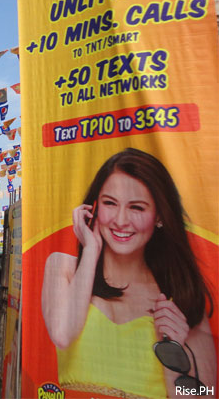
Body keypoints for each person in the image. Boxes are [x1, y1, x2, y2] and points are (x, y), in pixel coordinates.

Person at [42, 148, 216, 398]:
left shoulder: (184, 299)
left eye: (137, 207)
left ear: (159, 217)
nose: (121, 220)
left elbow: (204, 395)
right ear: (94, 208)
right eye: (110, 203)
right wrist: (91, 250)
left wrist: (174, 349)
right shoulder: (63, 267)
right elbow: (62, 335)